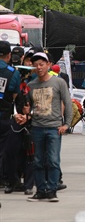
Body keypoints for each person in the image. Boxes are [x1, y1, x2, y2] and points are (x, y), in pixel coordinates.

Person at [27, 52, 72, 202]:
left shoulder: (59, 82)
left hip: (54, 128)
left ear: (48, 65)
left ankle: (52, 190)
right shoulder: (31, 85)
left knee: (53, 160)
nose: (39, 67)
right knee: (38, 160)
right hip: (37, 127)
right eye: (36, 65)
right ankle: (40, 190)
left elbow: (68, 102)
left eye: (41, 64)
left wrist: (67, 124)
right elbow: (28, 106)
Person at [0, 42, 22, 193]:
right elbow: (15, 96)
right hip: (4, 116)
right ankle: (7, 179)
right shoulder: (13, 73)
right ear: (9, 56)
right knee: (6, 150)